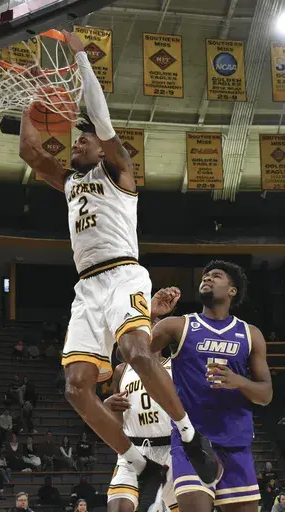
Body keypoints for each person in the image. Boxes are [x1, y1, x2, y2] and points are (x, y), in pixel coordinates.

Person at [19, 29, 219, 511]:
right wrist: (29, 105)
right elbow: (30, 153)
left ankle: (190, 437)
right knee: (75, 388)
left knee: (137, 350)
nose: (77, 141)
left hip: (124, 273)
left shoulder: (120, 171)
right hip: (86, 288)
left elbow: (102, 120)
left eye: (83, 137)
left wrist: (81, 57)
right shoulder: (69, 183)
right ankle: (136, 460)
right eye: (76, 137)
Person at [151, 261, 273, 512]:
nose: (206, 279)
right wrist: (151, 315)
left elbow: (266, 395)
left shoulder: (250, 334)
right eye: (204, 276)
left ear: (232, 291)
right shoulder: (178, 326)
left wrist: (238, 381)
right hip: (191, 443)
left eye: (216, 276)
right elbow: (127, 354)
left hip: (236, 445)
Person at [105, 349, 177, 512]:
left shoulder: (177, 365)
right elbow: (118, 421)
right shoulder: (122, 370)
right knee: (118, 507)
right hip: (135, 450)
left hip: (173, 450)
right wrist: (108, 408)